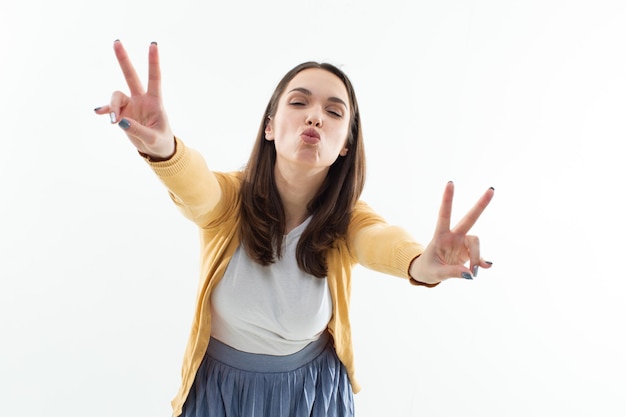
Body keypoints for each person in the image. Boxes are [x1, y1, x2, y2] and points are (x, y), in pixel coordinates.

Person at [95, 40, 494, 417]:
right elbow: (198, 190)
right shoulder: (230, 200)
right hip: (221, 390)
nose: (315, 116)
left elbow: (380, 241)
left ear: (345, 147)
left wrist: (422, 263)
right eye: (299, 102)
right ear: (269, 126)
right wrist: (164, 148)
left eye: (334, 112)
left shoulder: (348, 219)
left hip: (312, 393)